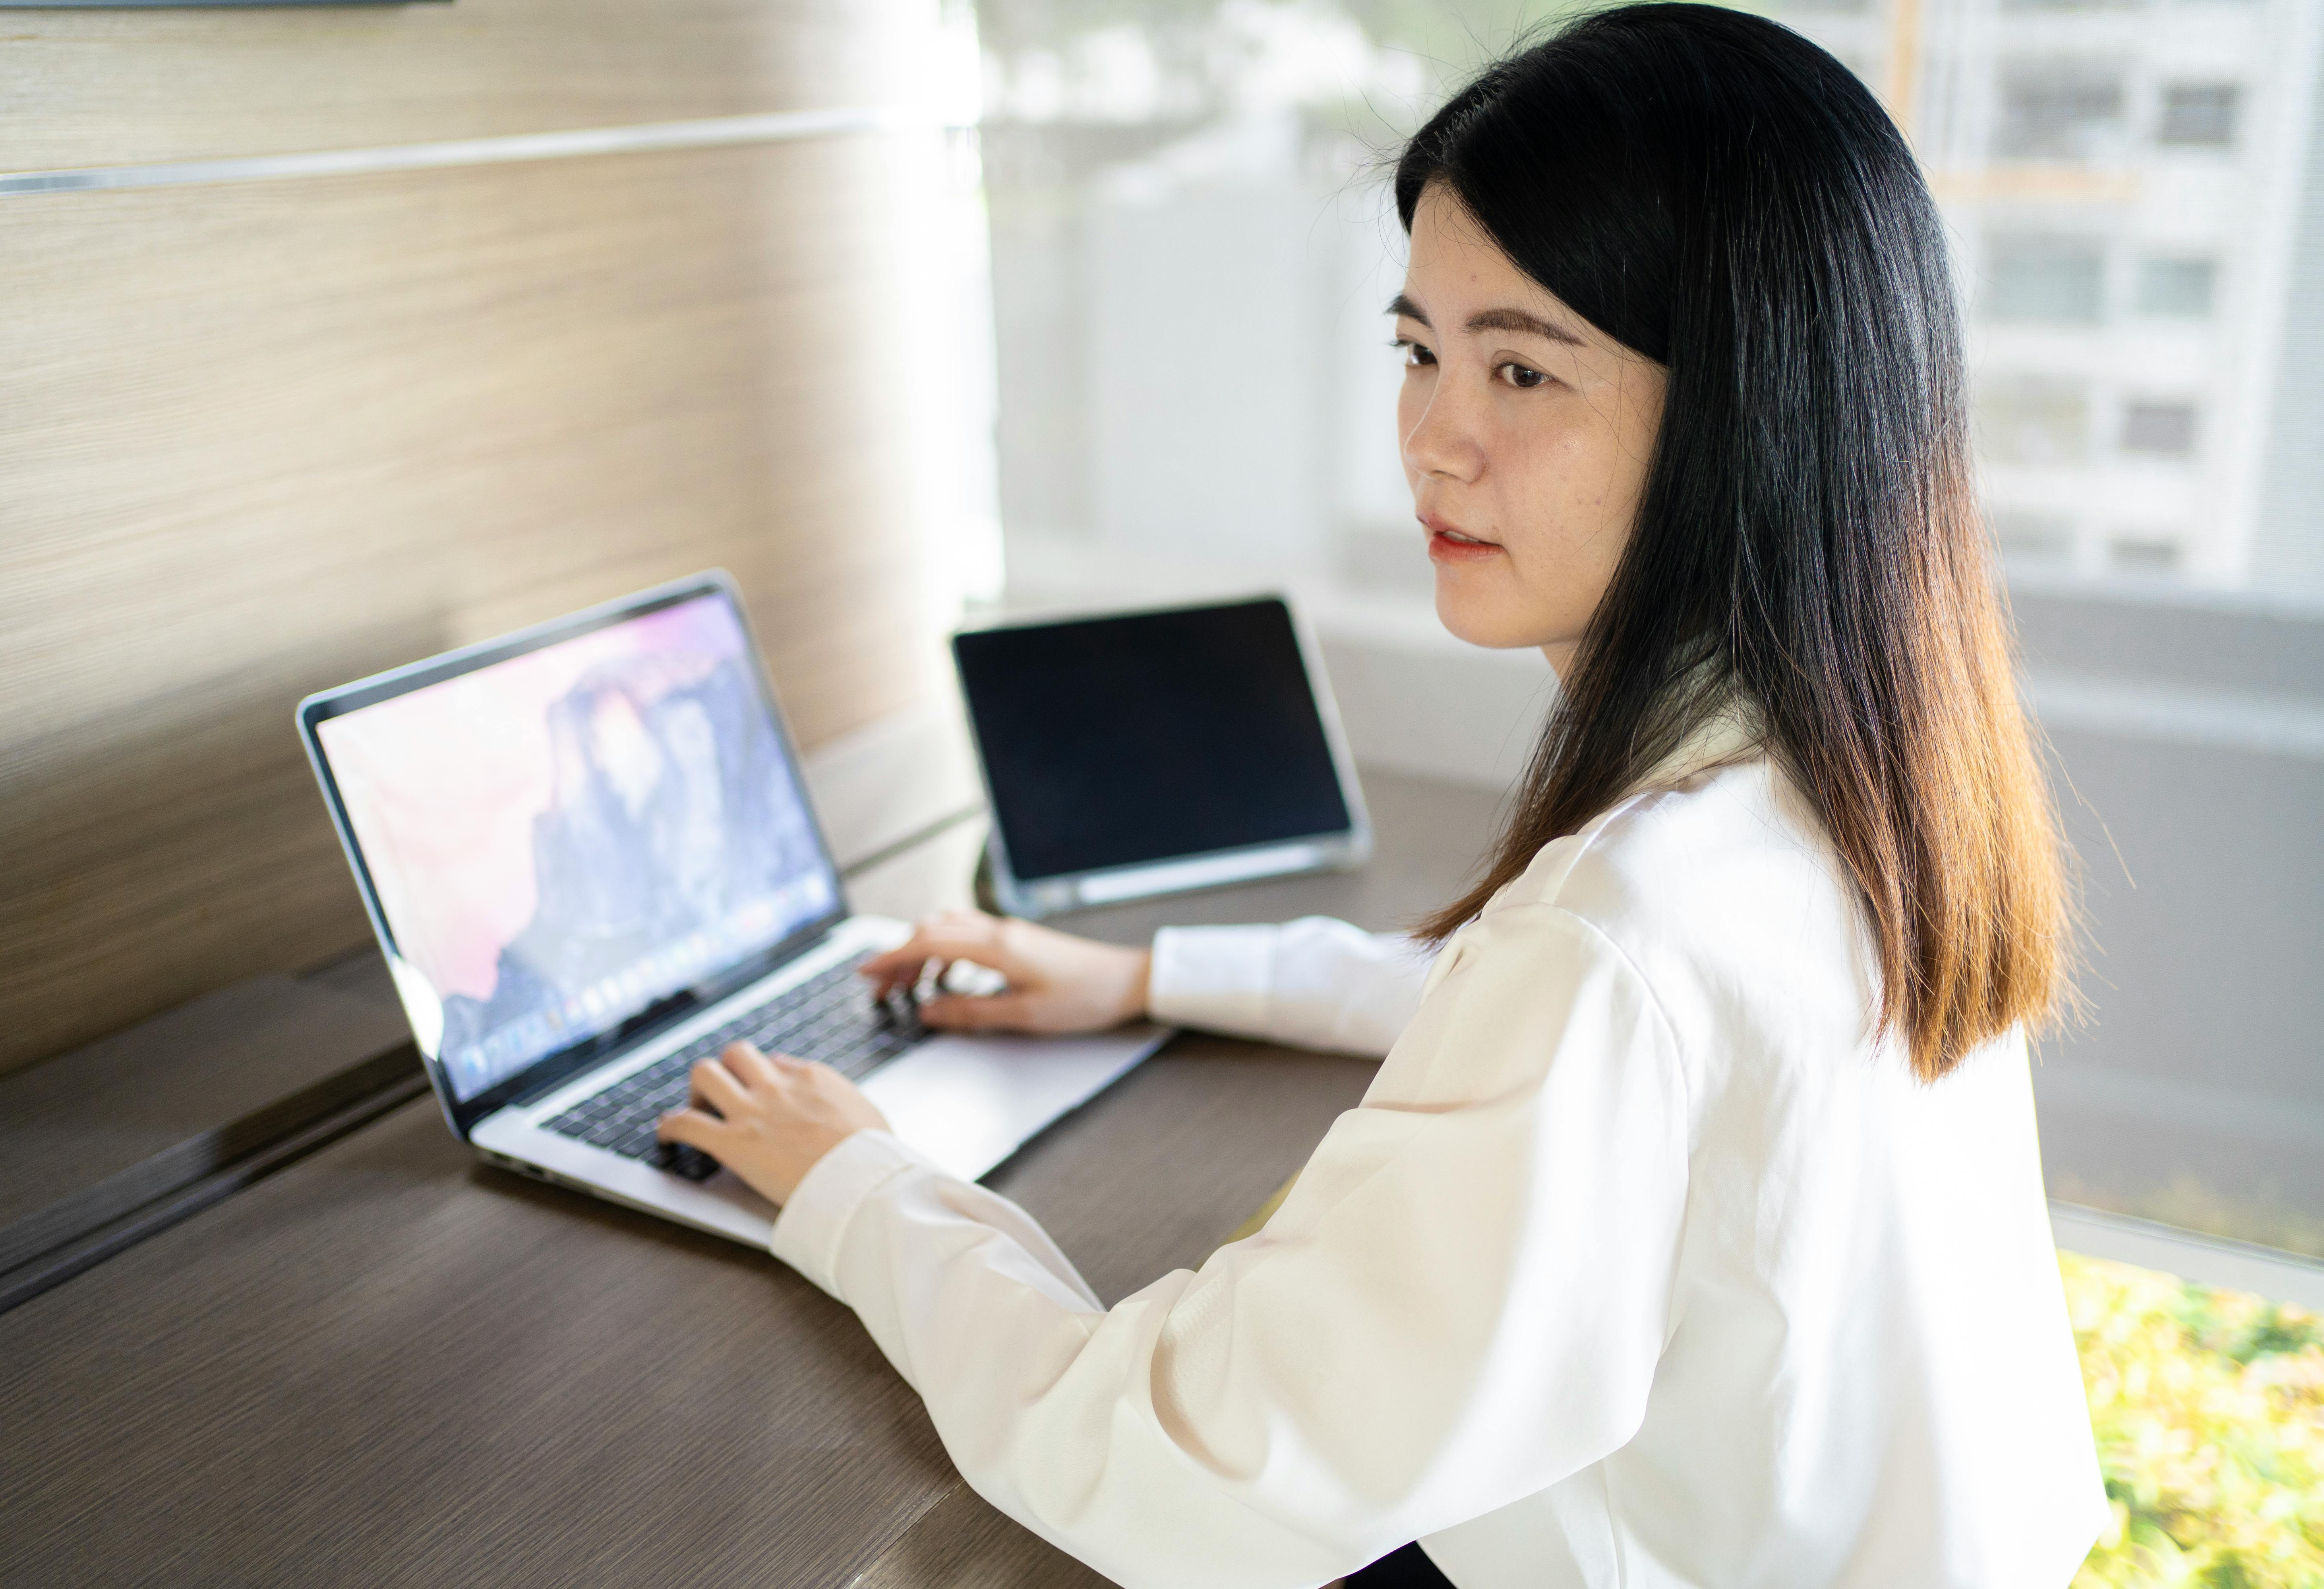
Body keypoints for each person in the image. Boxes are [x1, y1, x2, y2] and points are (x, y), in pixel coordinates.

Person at [654, 5, 2109, 1583]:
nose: (1433, 437)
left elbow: (1164, 1465)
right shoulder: (1864, 779)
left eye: (1523, 368)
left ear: (1746, 415)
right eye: (1421, 348)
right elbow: (1583, 1031)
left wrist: (856, 1180)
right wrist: (1148, 976)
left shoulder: (1626, 931)